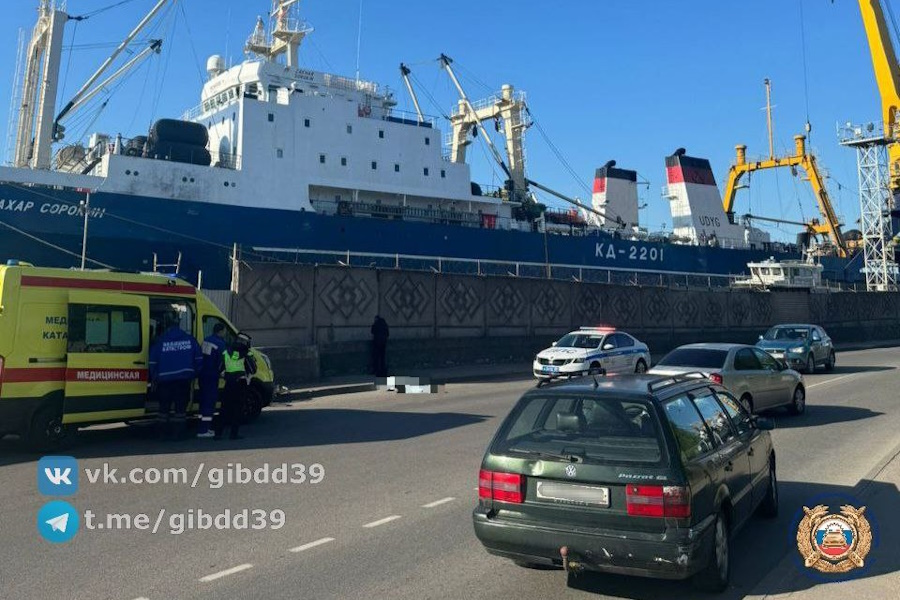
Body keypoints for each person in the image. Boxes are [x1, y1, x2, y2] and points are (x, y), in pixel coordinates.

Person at [149, 312, 202, 440]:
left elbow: (152, 362)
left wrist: (155, 376)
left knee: (164, 408)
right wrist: (195, 374)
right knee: (180, 409)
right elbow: (199, 359)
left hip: (165, 381)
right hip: (183, 380)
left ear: (167, 326)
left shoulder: (161, 340)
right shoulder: (190, 339)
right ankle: (179, 434)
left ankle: (161, 434)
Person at [217, 333, 257, 440]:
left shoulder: (226, 352)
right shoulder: (246, 354)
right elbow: (253, 369)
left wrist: (226, 375)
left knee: (224, 409)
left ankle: (218, 434)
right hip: (240, 383)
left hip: (228, 383)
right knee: (237, 409)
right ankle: (233, 434)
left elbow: (220, 368)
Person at [197, 323, 227, 438]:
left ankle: (201, 427)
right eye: (224, 331)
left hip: (203, 375)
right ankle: (204, 430)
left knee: (203, 402)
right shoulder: (220, 344)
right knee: (209, 403)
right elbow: (224, 361)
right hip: (212, 376)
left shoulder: (206, 340)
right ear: (221, 331)